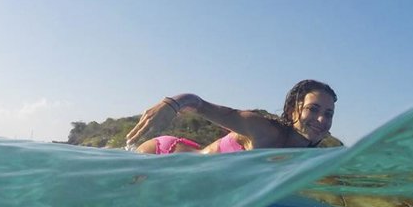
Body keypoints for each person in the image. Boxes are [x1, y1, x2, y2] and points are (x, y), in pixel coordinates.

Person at [126, 80, 338, 153]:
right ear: (293, 110)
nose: (321, 119)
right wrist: (171, 104)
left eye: (328, 114)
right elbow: (198, 103)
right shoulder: (263, 131)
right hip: (166, 154)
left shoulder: (306, 155)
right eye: (313, 109)